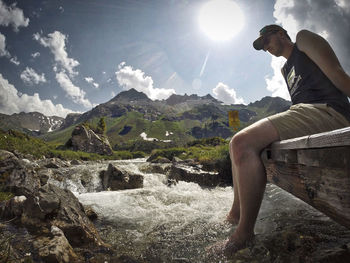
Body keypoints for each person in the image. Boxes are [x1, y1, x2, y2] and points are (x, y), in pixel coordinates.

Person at [219, 24, 350, 257]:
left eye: (267, 41)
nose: (266, 48)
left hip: (329, 111)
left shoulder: (304, 39)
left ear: (281, 34)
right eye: (262, 47)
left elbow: (338, 75)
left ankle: (244, 233)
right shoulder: (285, 69)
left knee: (242, 143)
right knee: (236, 147)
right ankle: (235, 215)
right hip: (306, 113)